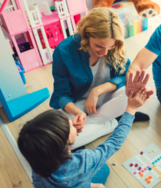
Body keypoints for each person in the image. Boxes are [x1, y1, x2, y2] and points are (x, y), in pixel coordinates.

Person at [18, 87, 151, 188]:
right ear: (66, 142)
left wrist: (90, 186)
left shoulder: (38, 163)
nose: (71, 122)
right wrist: (131, 109)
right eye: (69, 124)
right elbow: (115, 141)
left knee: (103, 169)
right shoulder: (84, 161)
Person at [49, 7, 153, 150]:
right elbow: (61, 94)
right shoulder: (64, 51)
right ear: (86, 35)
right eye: (98, 46)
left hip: (105, 99)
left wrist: (97, 91)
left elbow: (124, 76)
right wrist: (78, 113)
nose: (104, 52)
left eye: (109, 47)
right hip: (77, 104)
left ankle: (98, 125)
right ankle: (116, 121)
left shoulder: (115, 46)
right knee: (54, 140)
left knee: (128, 94)